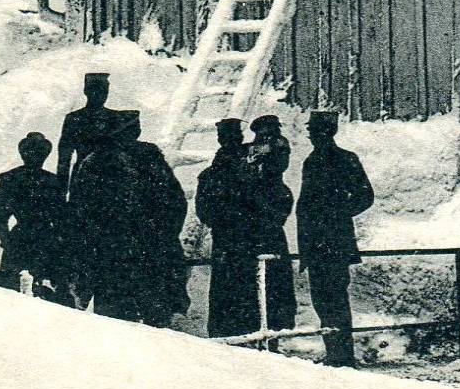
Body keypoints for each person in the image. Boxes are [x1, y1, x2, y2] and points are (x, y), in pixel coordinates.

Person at [69, 111, 189, 327]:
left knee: (120, 325)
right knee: (146, 323)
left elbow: (81, 213)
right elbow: (176, 203)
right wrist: (163, 234)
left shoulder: (96, 162)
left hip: (119, 256)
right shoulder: (145, 159)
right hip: (136, 255)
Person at [295, 110, 373, 366]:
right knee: (322, 300)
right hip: (316, 243)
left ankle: (342, 356)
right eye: (311, 131)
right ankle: (335, 353)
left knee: (335, 298)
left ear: (327, 131)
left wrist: (336, 214)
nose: (311, 135)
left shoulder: (345, 159)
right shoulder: (311, 160)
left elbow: (365, 196)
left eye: (315, 130)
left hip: (333, 242)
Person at [194, 118, 258, 338]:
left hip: (225, 241)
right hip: (247, 240)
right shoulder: (251, 170)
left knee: (224, 292)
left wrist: (222, 222)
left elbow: (203, 212)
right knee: (247, 292)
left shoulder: (211, 174)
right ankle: (247, 336)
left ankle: (223, 337)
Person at [0, 132, 69, 303]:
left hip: (31, 239)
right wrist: (7, 242)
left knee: (17, 293)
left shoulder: (12, 179)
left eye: (39, 152)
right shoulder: (50, 181)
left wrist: (7, 241)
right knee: (11, 294)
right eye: (32, 151)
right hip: (39, 239)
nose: (36, 156)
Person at [246, 114, 297, 332]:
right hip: (253, 238)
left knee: (274, 286)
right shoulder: (262, 186)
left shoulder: (278, 192)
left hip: (267, 238)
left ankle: (273, 329)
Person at [56, 72, 121, 198]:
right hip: (82, 179)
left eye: (104, 90)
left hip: (112, 180)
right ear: (86, 91)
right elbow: (64, 158)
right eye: (95, 90)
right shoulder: (74, 119)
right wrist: (62, 192)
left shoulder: (116, 118)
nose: (101, 95)